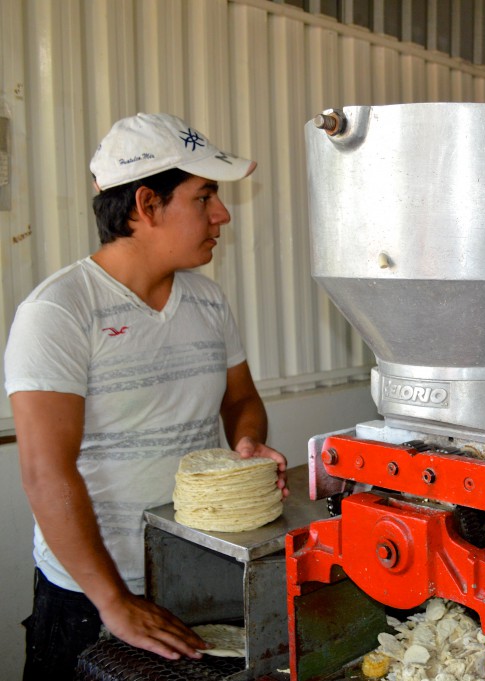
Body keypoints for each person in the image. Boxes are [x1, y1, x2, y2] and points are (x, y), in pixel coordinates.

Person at [4, 112, 289, 680]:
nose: (222, 214)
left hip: (193, 572)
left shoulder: (207, 300)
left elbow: (239, 400)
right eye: (204, 196)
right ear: (146, 205)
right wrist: (113, 601)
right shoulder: (60, 311)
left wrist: (247, 442)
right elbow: (45, 473)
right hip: (92, 597)